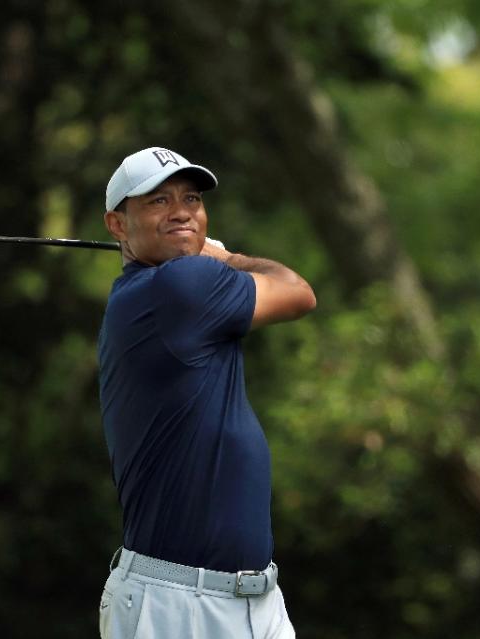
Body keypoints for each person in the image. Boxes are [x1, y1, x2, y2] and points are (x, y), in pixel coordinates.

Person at [97, 146, 316, 639]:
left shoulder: (153, 291)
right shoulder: (181, 286)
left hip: (256, 599)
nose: (181, 212)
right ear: (117, 224)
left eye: (191, 198)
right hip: (177, 607)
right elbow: (299, 291)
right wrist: (228, 256)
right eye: (157, 202)